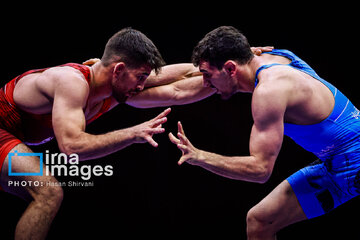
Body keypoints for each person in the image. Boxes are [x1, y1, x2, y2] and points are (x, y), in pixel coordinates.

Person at [161, 26, 360, 239]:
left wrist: (200, 157)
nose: (204, 83)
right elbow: (184, 76)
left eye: (207, 75)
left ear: (230, 68)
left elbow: (260, 170)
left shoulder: (268, 91)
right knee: (259, 221)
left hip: (354, 161)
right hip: (338, 160)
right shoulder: (274, 56)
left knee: (260, 220)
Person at [0, 27, 177, 240]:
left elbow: (178, 87)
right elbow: (72, 147)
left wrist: (212, 73)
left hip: (12, 136)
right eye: (140, 77)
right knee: (48, 193)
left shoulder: (109, 88)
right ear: (118, 69)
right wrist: (133, 133)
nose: (142, 86)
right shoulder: (72, 82)